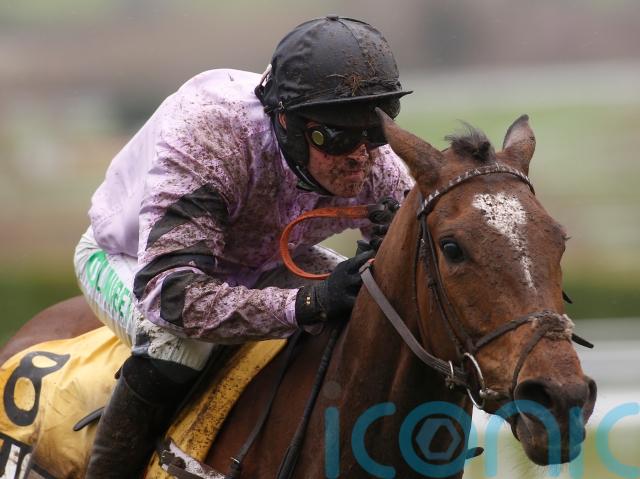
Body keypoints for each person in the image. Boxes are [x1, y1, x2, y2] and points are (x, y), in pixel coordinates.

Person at [74, 15, 414, 477]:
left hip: (261, 257)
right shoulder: (211, 138)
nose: (360, 156)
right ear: (285, 122)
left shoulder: (377, 163)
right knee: (179, 347)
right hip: (135, 260)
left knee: (369, 303)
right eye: (335, 137)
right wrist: (307, 303)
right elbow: (171, 297)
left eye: (374, 133)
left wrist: (395, 240)